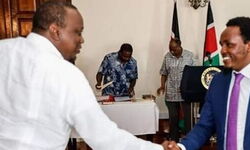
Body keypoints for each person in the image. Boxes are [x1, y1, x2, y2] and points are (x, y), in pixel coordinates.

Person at [0, 1, 170, 150]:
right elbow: (104, 138)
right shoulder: (67, 75)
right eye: (77, 32)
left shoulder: (4, 50)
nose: (82, 40)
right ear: (55, 31)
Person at [166, 16, 250, 150]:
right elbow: (204, 126)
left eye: (229, 44)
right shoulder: (218, 81)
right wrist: (181, 147)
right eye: (221, 45)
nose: (222, 50)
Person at [157, 38, 194, 142]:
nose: (172, 51)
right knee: (173, 117)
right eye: (170, 49)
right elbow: (164, 73)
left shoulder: (189, 56)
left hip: (185, 92)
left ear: (180, 45)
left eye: (174, 49)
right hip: (171, 92)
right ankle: (173, 139)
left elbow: (195, 73)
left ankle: (189, 139)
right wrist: (162, 86)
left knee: (188, 118)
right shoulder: (167, 56)